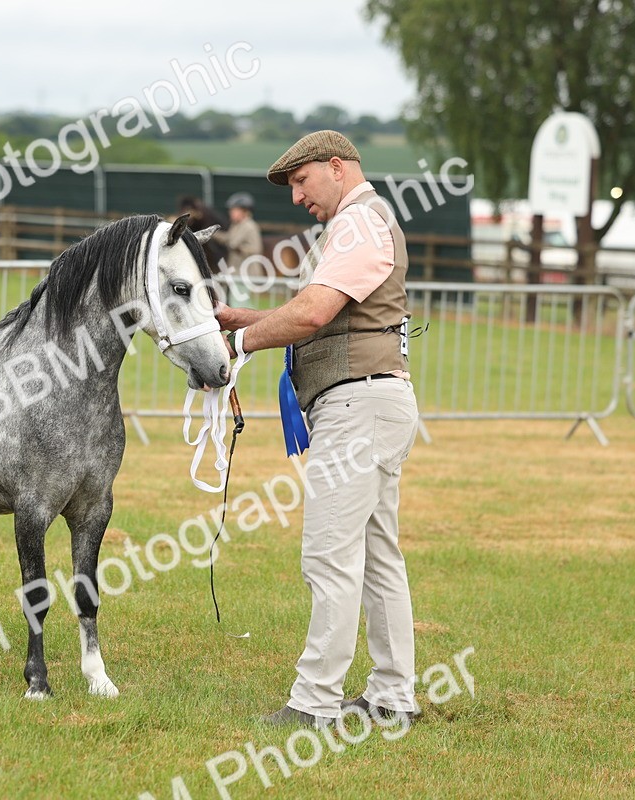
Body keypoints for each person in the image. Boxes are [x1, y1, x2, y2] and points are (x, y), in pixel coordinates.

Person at [215, 130, 421, 730]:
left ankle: (314, 703)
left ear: (337, 167)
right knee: (378, 557)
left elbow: (311, 315)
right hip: (372, 404)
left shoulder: (358, 223)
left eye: (301, 182)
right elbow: (324, 316)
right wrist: (242, 317)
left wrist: (236, 342)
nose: (297, 198)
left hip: (358, 409)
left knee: (328, 556)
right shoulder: (362, 221)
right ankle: (392, 696)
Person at [211, 192, 264, 304]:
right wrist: (212, 233)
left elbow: (255, 248)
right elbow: (228, 238)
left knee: (240, 305)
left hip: (246, 273)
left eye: (234, 210)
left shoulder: (249, 226)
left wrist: (240, 249)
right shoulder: (236, 225)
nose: (230, 213)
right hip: (236, 272)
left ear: (244, 211)